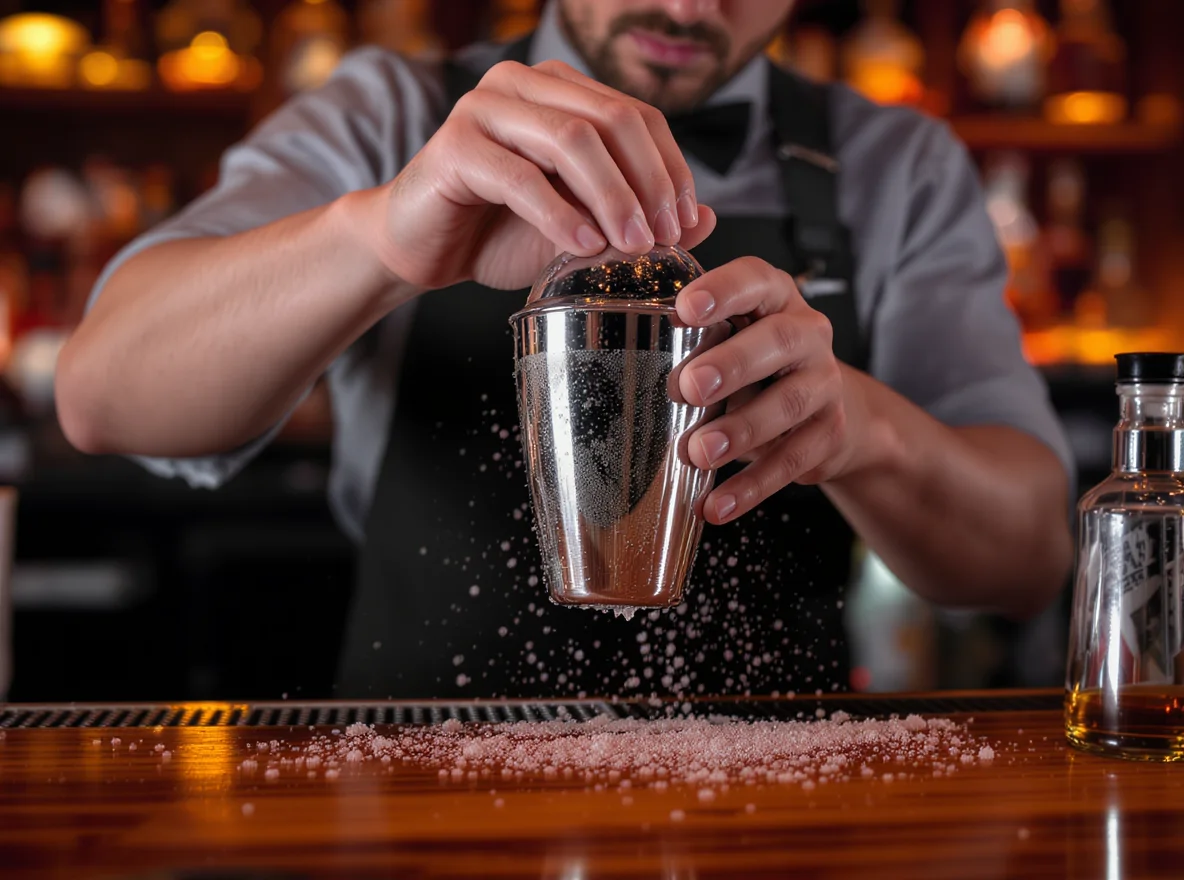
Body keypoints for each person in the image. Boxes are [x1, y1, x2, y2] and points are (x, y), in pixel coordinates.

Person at [56, 0, 1074, 700]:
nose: (687, 8)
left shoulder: (893, 167)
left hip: (767, 800)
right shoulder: (389, 117)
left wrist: (861, 430)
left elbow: (1029, 556)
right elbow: (103, 394)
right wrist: (380, 238)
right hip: (416, 787)